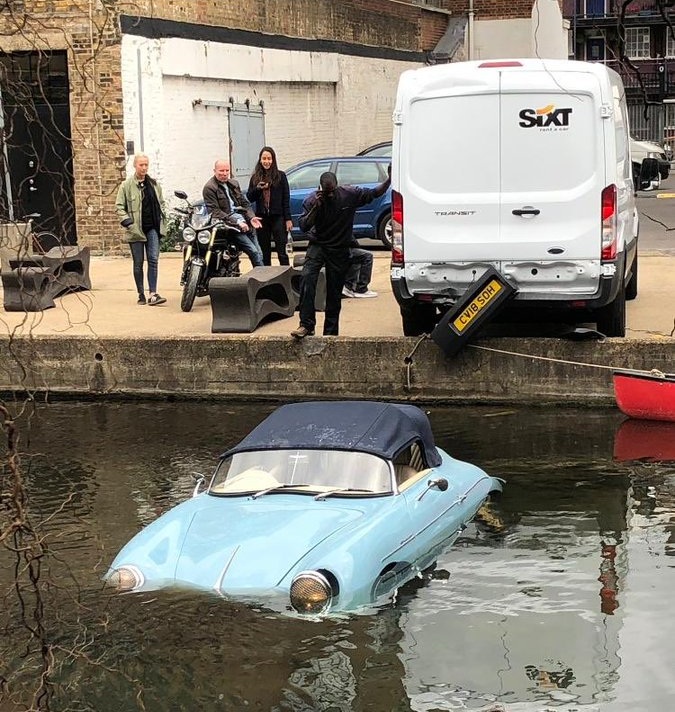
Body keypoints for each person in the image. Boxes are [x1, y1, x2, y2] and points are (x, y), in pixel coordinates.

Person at [291, 167, 390, 338]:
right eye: (326, 192)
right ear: (320, 188)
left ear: (336, 187)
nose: (329, 195)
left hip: (339, 248)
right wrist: (316, 208)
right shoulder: (312, 200)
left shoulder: (349, 194)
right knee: (307, 279)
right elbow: (303, 226)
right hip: (318, 245)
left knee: (334, 292)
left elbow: (375, 193)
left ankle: (330, 332)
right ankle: (306, 325)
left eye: (332, 191)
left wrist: (390, 179)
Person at [115, 153, 167, 305]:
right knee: (138, 263)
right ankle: (140, 294)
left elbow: (161, 203)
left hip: (152, 228)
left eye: (146, 165)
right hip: (136, 229)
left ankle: (153, 293)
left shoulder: (154, 185)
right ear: (135, 166)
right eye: (141, 165)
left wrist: (162, 222)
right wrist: (129, 223)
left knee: (153, 259)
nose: (144, 168)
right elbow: (119, 206)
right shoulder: (126, 185)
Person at [202, 159, 264, 268]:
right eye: (221, 171)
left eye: (227, 170)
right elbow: (215, 212)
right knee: (254, 252)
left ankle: (260, 278)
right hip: (231, 227)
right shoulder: (209, 188)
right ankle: (262, 279)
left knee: (259, 253)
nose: (225, 173)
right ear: (214, 171)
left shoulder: (233, 183)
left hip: (246, 223)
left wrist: (251, 217)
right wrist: (237, 222)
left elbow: (245, 203)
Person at [246, 146, 293, 266]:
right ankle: (267, 279)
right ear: (260, 160)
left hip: (278, 217)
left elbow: (286, 199)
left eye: (269, 158)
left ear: (273, 160)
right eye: (264, 158)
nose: (267, 161)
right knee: (265, 251)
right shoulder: (255, 177)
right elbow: (250, 198)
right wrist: (258, 189)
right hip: (262, 218)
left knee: (281, 251)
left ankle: (286, 276)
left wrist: (288, 219)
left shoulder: (281, 176)